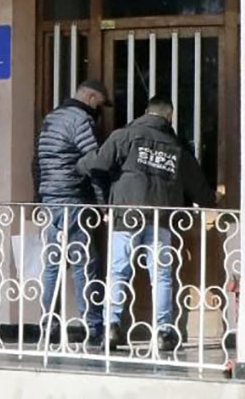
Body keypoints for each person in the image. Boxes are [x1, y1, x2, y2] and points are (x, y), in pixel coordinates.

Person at [78, 96, 218, 351]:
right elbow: (197, 186)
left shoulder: (124, 136)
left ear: (145, 112)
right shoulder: (176, 146)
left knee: (118, 272)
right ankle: (163, 332)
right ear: (169, 117)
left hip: (126, 216)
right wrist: (213, 199)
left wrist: (81, 167)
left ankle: (111, 327)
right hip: (160, 217)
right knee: (161, 275)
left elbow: (98, 164)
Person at [31, 79, 111, 345]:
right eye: (99, 105)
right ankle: (93, 326)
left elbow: (36, 162)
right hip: (74, 199)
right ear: (90, 97)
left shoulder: (51, 119)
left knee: (52, 264)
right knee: (84, 264)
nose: (99, 112)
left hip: (51, 199)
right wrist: (103, 204)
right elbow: (93, 164)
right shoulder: (81, 120)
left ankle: (49, 325)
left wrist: (38, 198)